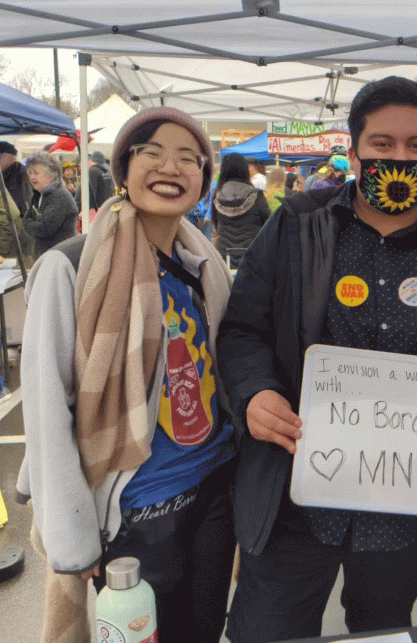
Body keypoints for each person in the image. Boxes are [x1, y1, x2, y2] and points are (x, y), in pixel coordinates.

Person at [217, 75, 417, 643]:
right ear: (352, 151)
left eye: (416, 146)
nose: (399, 157)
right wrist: (256, 393)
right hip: (294, 496)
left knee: (382, 632)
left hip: (405, 507)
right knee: (266, 630)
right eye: (381, 145)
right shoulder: (296, 225)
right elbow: (242, 331)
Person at [17, 107, 238, 643]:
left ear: (205, 180)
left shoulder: (201, 257)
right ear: (121, 169)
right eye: (153, 154)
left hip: (213, 487)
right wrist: (72, 539)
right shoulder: (69, 267)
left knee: (203, 632)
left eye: (190, 159)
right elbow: (47, 408)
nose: (172, 167)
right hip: (136, 514)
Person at [212, 152, 271, 267]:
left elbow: (215, 224)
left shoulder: (217, 196)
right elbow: (269, 223)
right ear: (244, 170)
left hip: (224, 255)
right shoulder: (257, 196)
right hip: (253, 254)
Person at [23, 152, 78, 256]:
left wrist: (31, 223)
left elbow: (44, 229)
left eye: (36, 173)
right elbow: (25, 221)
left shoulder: (59, 196)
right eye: (30, 173)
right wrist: (33, 223)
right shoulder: (38, 195)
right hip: (45, 256)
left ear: (51, 175)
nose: (32, 177)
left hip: (59, 257)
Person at [0, 140, 32, 217]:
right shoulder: (13, 171)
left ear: (10, 158)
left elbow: (17, 204)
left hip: (14, 222)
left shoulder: (18, 173)